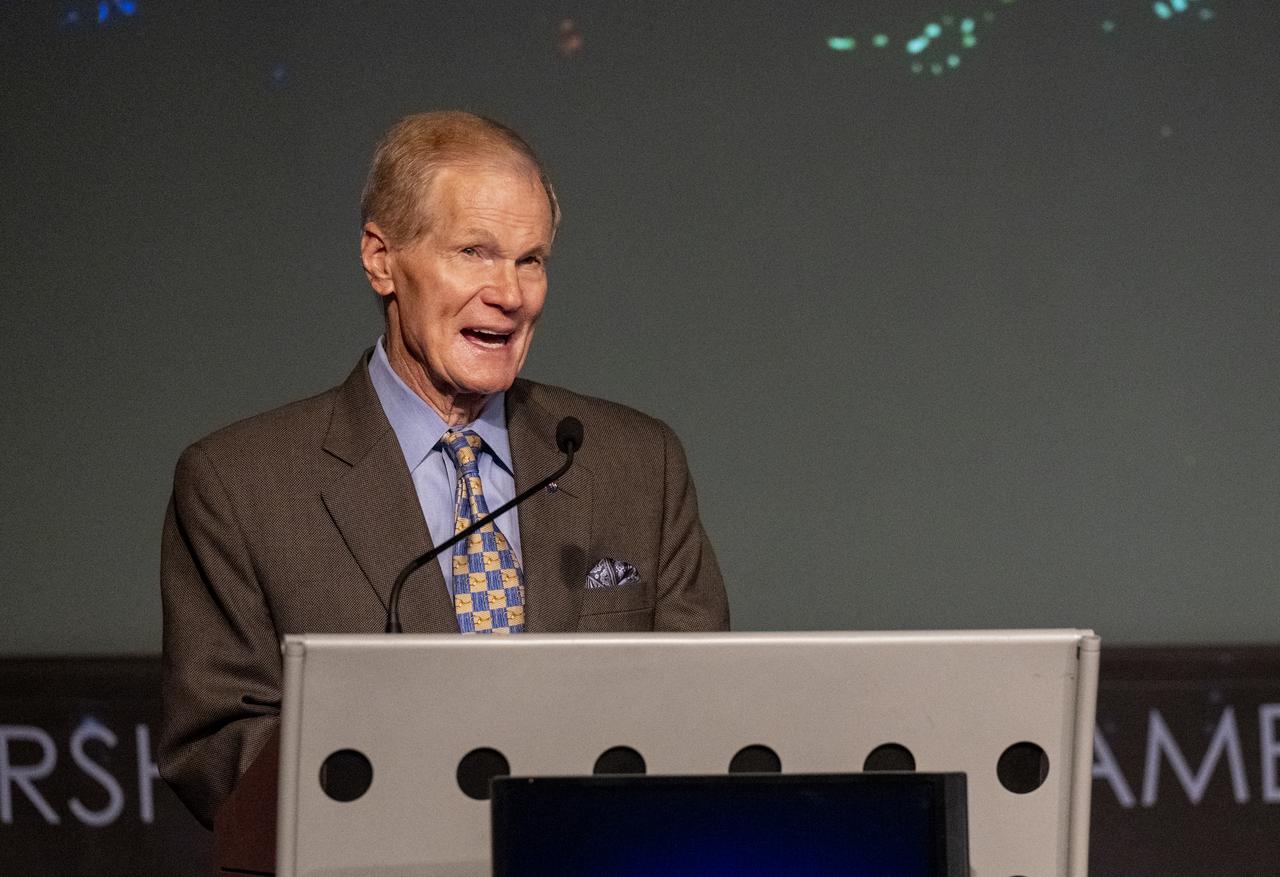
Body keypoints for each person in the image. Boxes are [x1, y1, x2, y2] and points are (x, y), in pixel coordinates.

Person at [158, 111, 729, 828]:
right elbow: (217, 748)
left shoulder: (636, 463)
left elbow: (704, 707)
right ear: (380, 258)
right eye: (474, 252)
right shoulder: (240, 485)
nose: (511, 293)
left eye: (531, 259)